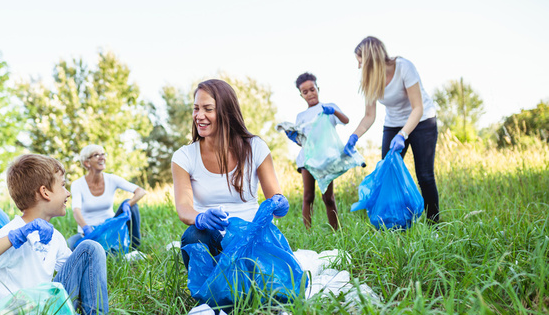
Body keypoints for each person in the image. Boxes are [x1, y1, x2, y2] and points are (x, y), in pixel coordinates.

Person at [0, 154, 116, 315]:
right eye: (63, 185)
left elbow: (76, 271)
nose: (68, 193)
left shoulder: (54, 237)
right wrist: (16, 236)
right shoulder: (13, 231)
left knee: (91, 248)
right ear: (45, 192)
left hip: (47, 310)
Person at [171, 79, 289, 269]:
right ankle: (211, 290)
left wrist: (279, 202)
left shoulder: (255, 147)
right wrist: (200, 218)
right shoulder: (184, 157)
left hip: (252, 237)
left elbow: (275, 197)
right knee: (192, 236)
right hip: (213, 239)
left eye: (208, 109)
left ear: (226, 112)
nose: (199, 116)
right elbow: (184, 207)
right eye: (196, 109)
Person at [344, 36, 439, 223]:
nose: (359, 67)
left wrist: (403, 134)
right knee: (387, 174)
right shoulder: (370, 80)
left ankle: (433, 225)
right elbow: (369, 116)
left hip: (422, 120)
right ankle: (394, 223)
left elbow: (417, 108)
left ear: (370, 58)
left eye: (360, 61)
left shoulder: (404, 67)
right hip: (393, 124)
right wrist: (354, 136)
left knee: (425, 176)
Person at [284, 72, 350, 230]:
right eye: (305, 92)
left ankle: (336, 231)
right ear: (301, 95)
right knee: (308, 196)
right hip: (307, 160)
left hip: (326, 159)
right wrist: (293, 137)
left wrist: (333, 112)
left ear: (317, 88)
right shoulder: (301, 116)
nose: (310, 93)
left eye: (312, 89)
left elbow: (346, 121)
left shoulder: (329, 107)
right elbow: (304, 142)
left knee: (328, 197)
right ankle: (308, 233)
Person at [67, 145, 146, 250]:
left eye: (103, 154)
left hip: (110, 229)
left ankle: (135, 248)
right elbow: (76, 211)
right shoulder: (78, 184)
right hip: (89, 233)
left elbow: (141, 191)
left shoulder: (111, 179)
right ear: (87, 162)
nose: (102, 157)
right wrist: (86, 228)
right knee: (69, 245)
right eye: (96, 155)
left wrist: (128, 204)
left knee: (131, 205)